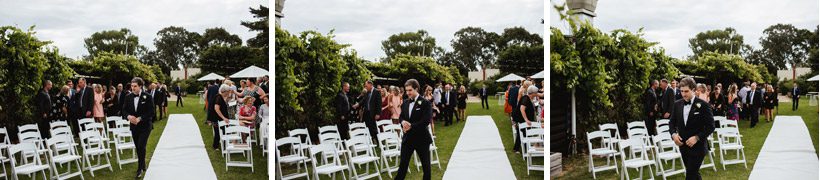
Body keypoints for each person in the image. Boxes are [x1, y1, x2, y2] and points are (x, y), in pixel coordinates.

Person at [669, 77, 715, 180]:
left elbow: (711, 126)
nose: (683, 94)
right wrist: (674, 135)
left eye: (686, 91)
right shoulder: (677, 104)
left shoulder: (703, 105)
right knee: (694, 174)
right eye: (681, 91)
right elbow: (672, 123)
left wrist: (697, 137)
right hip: (683, 147)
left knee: (690, 175)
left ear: (694, 90)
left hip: (698, 147)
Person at [395, 79, 432, 180]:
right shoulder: (405, 103)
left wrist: (410, 126)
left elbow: (426, 121)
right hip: (408, 139)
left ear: (416, 89)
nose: (407, 93)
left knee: (426, 166)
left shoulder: (425, 103)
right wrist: (402, 122)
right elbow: (401, 117)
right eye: (406, 90)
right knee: (403, 165)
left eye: (410, 90)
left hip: (422, 139)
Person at [122, 77, 155, 178]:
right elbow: (123, 110)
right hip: (134, 127)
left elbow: (151, 112)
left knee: (141, 145)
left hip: (145, 126)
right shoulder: (128, 97)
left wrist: (140, 118)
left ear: (140, 86)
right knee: (138, 147)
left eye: (135, 86)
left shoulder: (148, 96)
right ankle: (143, 163)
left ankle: (139, 168)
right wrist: (129, 116)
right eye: (132, 86)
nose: (133, 88)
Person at [513, 86, 539, 153]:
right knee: (521, 134)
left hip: (524, 120)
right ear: (532, 93)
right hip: (522, 120)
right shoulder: (526, 98)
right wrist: (526, 119)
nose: (536, 94)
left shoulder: (529, 98)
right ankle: (517, 149)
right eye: (536, 92)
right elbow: (522, 109)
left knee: (523, 134)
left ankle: (522, 148)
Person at [208, 84, 231, 150]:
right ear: (225, 91)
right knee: (218, 132)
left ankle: (222, 145)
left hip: (219, 118)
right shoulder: (218, 97)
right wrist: (224, 118)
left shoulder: (220, 96)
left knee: (222, 131)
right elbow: (216, 109)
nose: (229, 92)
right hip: (217, 119)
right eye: (228, 91)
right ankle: (215, 146)